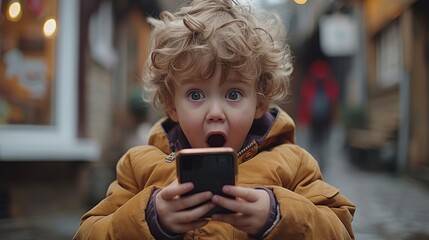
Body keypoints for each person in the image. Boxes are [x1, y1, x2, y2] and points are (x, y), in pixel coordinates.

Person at [73, 0, 355, 239]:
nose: (216, 112)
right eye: (196, 95)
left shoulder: (293, 164)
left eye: (233, 94)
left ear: (260, 102)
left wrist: (277, 214)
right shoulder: (140, 166)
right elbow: (89, 232)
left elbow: (340, 228)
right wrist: (150, 218)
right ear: (172, 106)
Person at [297, 60, 339, 171]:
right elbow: (334, 101)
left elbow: (305, 103)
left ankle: (313, 163)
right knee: (324, 142)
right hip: (326, 120)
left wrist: (303, 119)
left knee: (313, 142)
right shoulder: (330, 83)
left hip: (313, 120)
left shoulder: (309, 84)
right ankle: (323, 162)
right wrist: (333, 118)